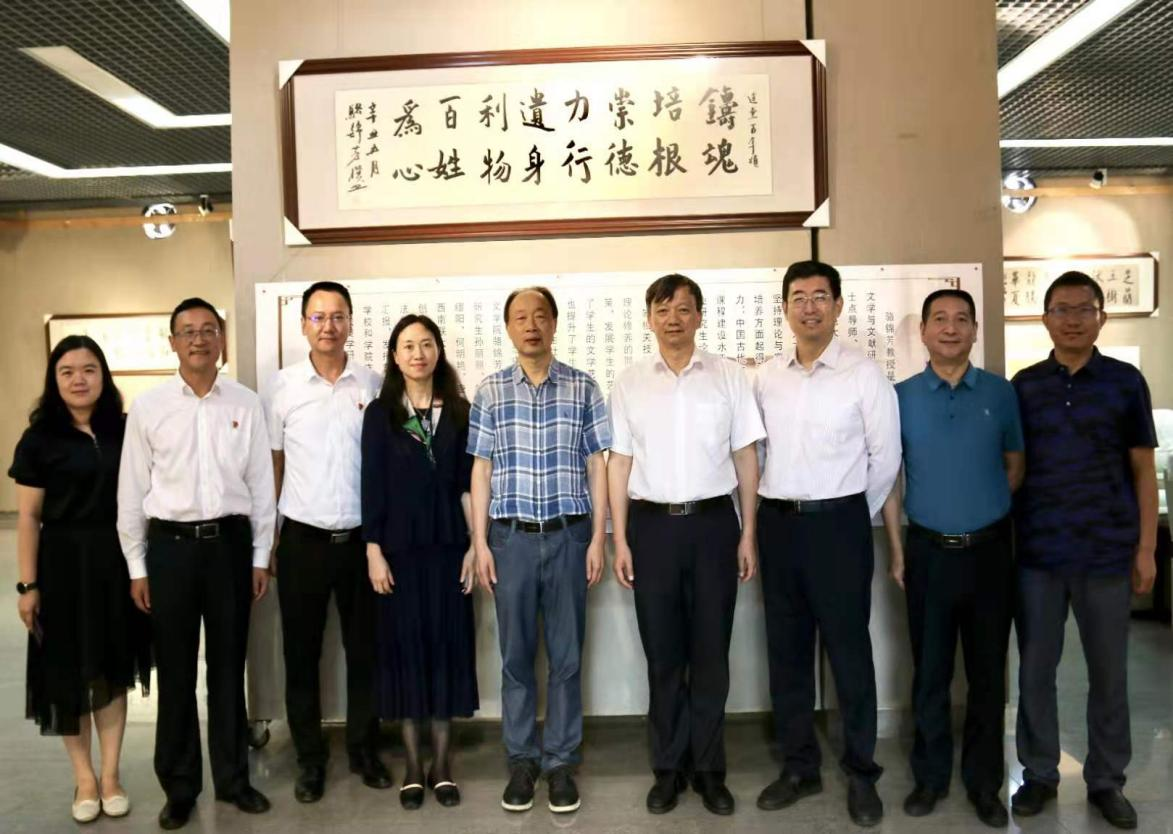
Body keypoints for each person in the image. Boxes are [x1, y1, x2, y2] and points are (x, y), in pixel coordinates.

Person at [607, 273, 764, 816]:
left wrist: (748, 531)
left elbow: (746, 456)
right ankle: (668, 769)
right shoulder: (629, 383)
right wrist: (620, 540)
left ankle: (711, 770)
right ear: (649, 318)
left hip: (714, 526)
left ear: (699, 316)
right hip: (651, 529)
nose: (672, 319)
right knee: (663, 656)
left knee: (711, 653)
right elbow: (619, 463)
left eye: (683, 309)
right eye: (662, 309)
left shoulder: (729, 376)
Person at [117, 298, 276, 830]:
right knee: (177, 671)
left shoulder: (245, 403)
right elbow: (131, 492)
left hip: (230, 547)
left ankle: (233, 780)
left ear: (222, 339)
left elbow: (261, 486)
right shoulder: (150, 407)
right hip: (171, 550)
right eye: (188, 331)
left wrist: (260, 556)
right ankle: (180, 787)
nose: (199, 339)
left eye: (209, 329)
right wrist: (137, 567)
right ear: (173, 343)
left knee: (229, 668)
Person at [753, 260, 901, 828]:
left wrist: (847, 511)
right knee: (786, 652)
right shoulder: (766, 378)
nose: (809, 307)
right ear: (785, 308)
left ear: (838, 306)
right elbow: (755, 454)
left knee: (849, 653)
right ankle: (799, 767)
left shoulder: (864, 375)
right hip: (778, 526)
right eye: (799, 297)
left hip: (840, 526)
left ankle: (862, 772)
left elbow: (885, 459)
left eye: (820, 296)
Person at [1011, 271, 1158, 831]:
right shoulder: (1025, 386)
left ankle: (1106, 779)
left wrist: (1146, 549)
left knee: (1109, 674)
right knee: (1035, 671)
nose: (1072, 319)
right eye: (1061, 309)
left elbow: (1143, 470)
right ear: (1045, 319)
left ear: (1101, 317)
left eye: (1083, 309)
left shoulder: (1125, 382)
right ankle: (1039, 773)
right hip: (1039, 554)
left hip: (1106, 553)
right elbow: (1014, 469)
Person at [880, 289, 1024, 827]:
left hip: (990, 555)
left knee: (988, 675)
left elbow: (1014, 465)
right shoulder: (900, 397)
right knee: (931, 672)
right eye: (939, 319)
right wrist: (898, 550)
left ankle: (985, 785)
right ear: (922, 331)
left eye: (962, 319)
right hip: (928, 553)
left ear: (974, 330)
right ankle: (931, 778)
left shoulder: (1000, 393)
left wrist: (981, 511)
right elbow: (891, 478)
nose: (950, 328)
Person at [469, 286, 611, 814]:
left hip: (570, 535)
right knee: (516, 657)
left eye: (540, 316)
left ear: (554, 323)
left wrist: (598, 538)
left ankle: (561, 764)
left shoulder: (583, 387)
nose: (531, 325)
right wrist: (480, 542)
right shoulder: (490, 391)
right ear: (508, 328)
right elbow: (481, 469)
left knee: (567, 658)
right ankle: (522, 761)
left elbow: (597, 465)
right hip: (510, 540)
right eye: (521, 317)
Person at [9, 335, 151, 824]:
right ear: (54, 380)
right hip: (62, 567)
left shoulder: (124, 430)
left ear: (103, 376)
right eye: (67, 371)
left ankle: (110, 776)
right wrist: (28, 586)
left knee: (111, 671)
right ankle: (84, 779)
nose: (79, 380)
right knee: (68, 675)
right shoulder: (39, 439)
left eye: (89, 369)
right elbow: (29, 518)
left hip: (116, 562)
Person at [262, 281, 388, 803]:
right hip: (302, 541)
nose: (328, 326)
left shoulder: (374, 384)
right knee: (301, 655)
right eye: (318, 317)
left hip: (362, 542)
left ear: (351, 323)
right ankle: (310, 761)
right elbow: (272, 466)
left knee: (366, 654)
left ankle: (363, 750)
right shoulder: (282, 388)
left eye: (338, 316)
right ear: (303, 326)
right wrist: (268, 540)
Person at [363, 314, 479, 810]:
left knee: (447, 651)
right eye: (408, 345)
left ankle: (443, 765)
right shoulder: (381, 414)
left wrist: (476, 544)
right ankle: (413, 765)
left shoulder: (459, 411)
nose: (418, 353)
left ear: (438, 351)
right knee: (406, 654)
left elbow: (469, 485)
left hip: (449, 549)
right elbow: (371, 483)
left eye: (426, 344)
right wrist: (372, 549)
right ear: (394, 355)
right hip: (399, 554)